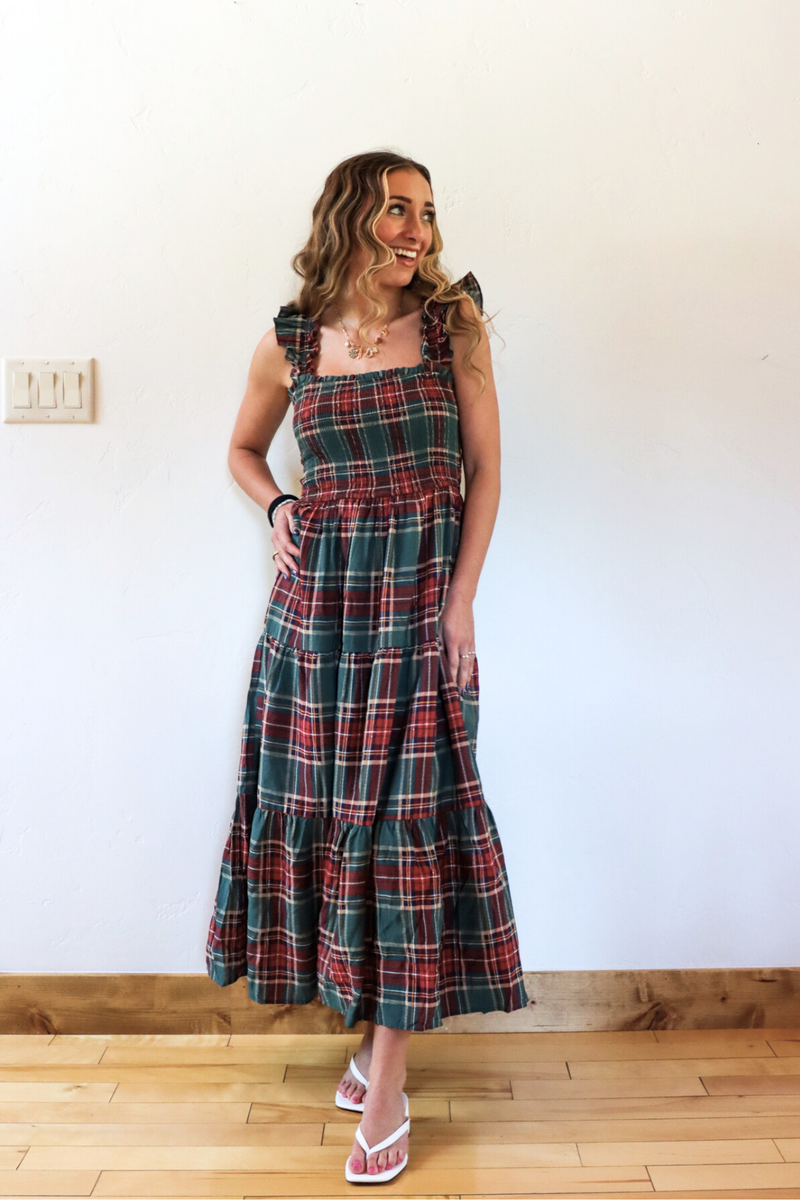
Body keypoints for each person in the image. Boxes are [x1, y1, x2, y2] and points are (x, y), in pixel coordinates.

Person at [205, 149, 529, 1184]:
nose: (419, 231)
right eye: (398, 209)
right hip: (315, 627)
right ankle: (369, 1045)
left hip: (421, 616)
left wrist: (461, 601)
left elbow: (484, 473)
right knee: (340, 828)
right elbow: (242, 452)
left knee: (407, 839)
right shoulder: (289, 343)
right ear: (352, 214)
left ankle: (386, 1084)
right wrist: (279, 504)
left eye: (428, 213)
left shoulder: (453, 329)